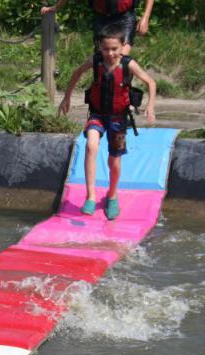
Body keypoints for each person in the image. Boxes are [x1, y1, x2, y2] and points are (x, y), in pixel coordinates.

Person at [58, 24, 156, 220]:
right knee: (91, 146)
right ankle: (91, 197)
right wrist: (66, 97)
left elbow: (150, 82)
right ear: (99, 47)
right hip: (97, 115)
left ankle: (112, 195)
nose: (110, 53)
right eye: (105, 49)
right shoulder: (95, 62)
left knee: (114, 161)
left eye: (114, 49)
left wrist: (150, 105)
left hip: (118, 119)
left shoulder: (128, 64)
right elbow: (76, 74)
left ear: (122, 47)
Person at [40, 0, 154, 55]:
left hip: (124, 18)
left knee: (121, 58)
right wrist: (55, 7)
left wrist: (145, 18)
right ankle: (101, 98)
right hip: (102, 18)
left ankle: (124, 92)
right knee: (101, 59)